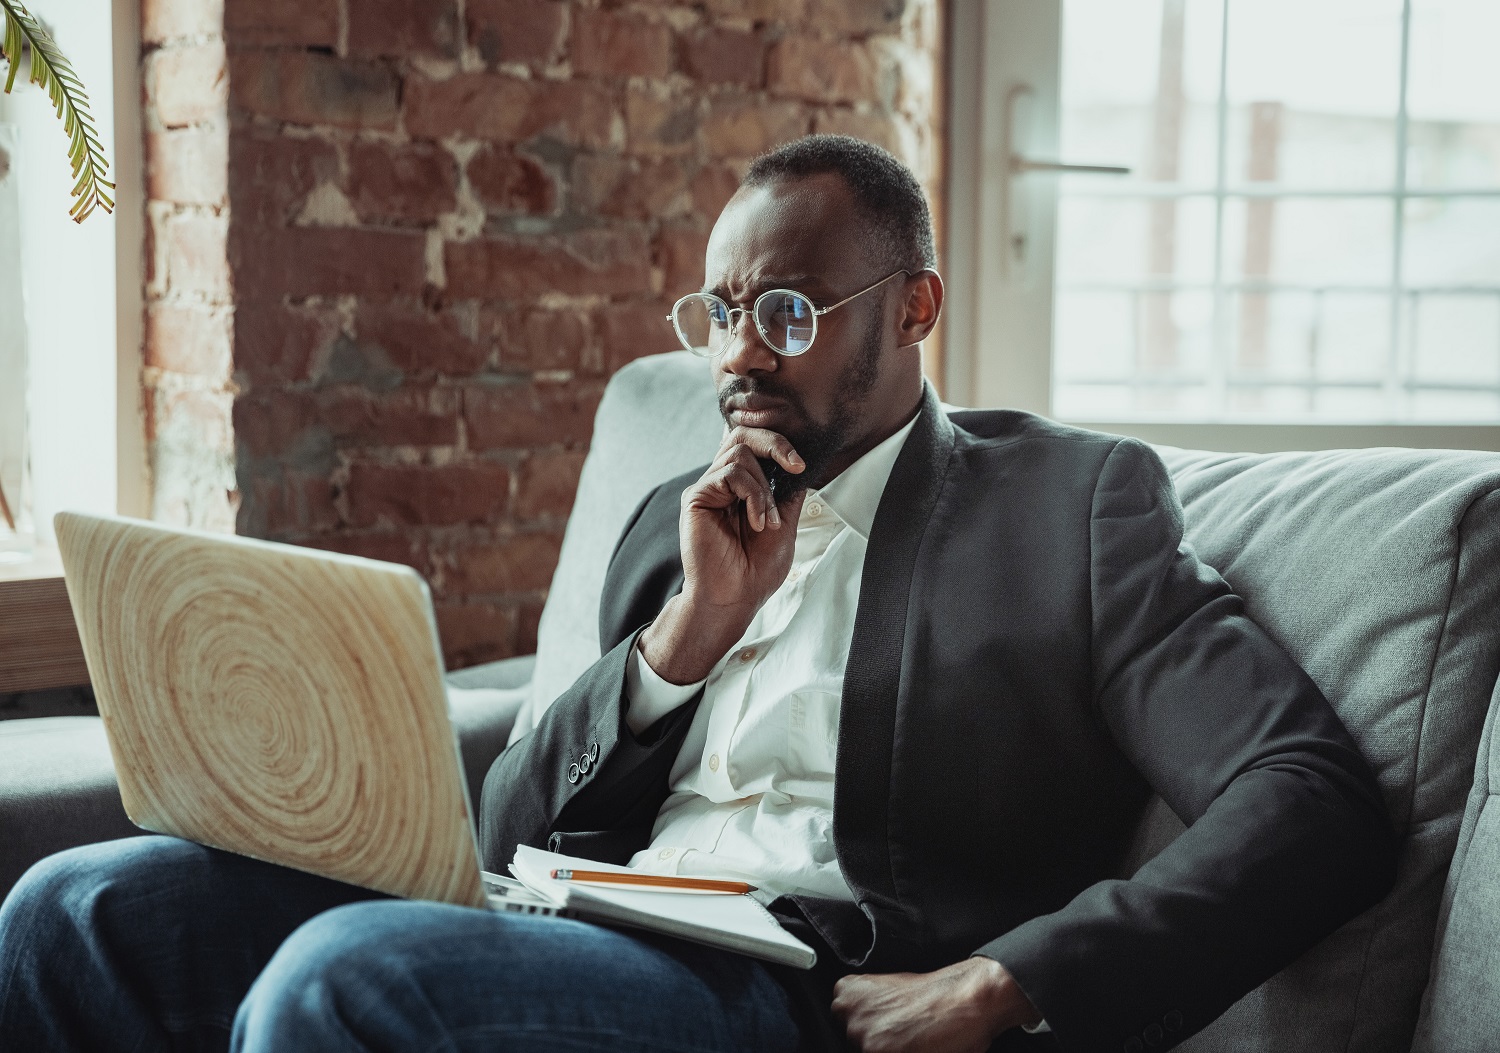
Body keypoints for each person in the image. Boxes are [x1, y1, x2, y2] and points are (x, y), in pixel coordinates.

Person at [0, 135, 1395, 1053]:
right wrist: (684, 639)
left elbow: (1310, 794)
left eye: (787, 312)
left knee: (345, 982)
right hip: (569, 919)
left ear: (914, 308)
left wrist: (1013, 978)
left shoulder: (1068, 507)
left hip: (782, 987)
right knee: (73, 910)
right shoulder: (687, 519)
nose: (742, 353)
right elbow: (505, 827)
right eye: (723, 312)